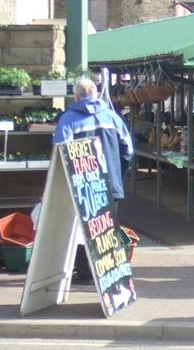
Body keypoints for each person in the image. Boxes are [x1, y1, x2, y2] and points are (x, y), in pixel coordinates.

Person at [54, 77, 134, 283]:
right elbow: (128, 150)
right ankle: (107, 275)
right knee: (106, 228)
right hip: (110, 184)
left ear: (76, 96)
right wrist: (118, 172)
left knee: (80, 230)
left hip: (81, 186)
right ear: (96, 94)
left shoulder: (68, 119)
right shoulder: (112, 117)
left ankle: (84, 272)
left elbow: (60, 153)